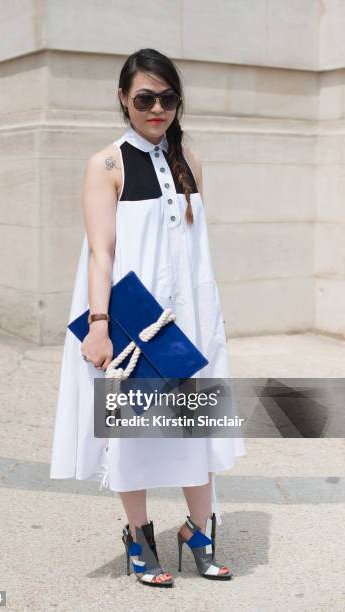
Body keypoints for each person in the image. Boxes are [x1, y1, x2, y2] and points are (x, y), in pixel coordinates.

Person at [49, 48, 246, 587]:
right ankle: (139, 536)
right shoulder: (106, 164)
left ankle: (199, 531)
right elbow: (101, 251)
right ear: (123, 100)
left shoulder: (191, 161)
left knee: (193, 426)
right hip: (133, 314)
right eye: (144, 98)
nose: (157, 108)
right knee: (132, 431)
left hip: (190, 313)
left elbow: (195, 247)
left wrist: (209, 318)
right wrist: (96, 323)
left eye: (168, 98)